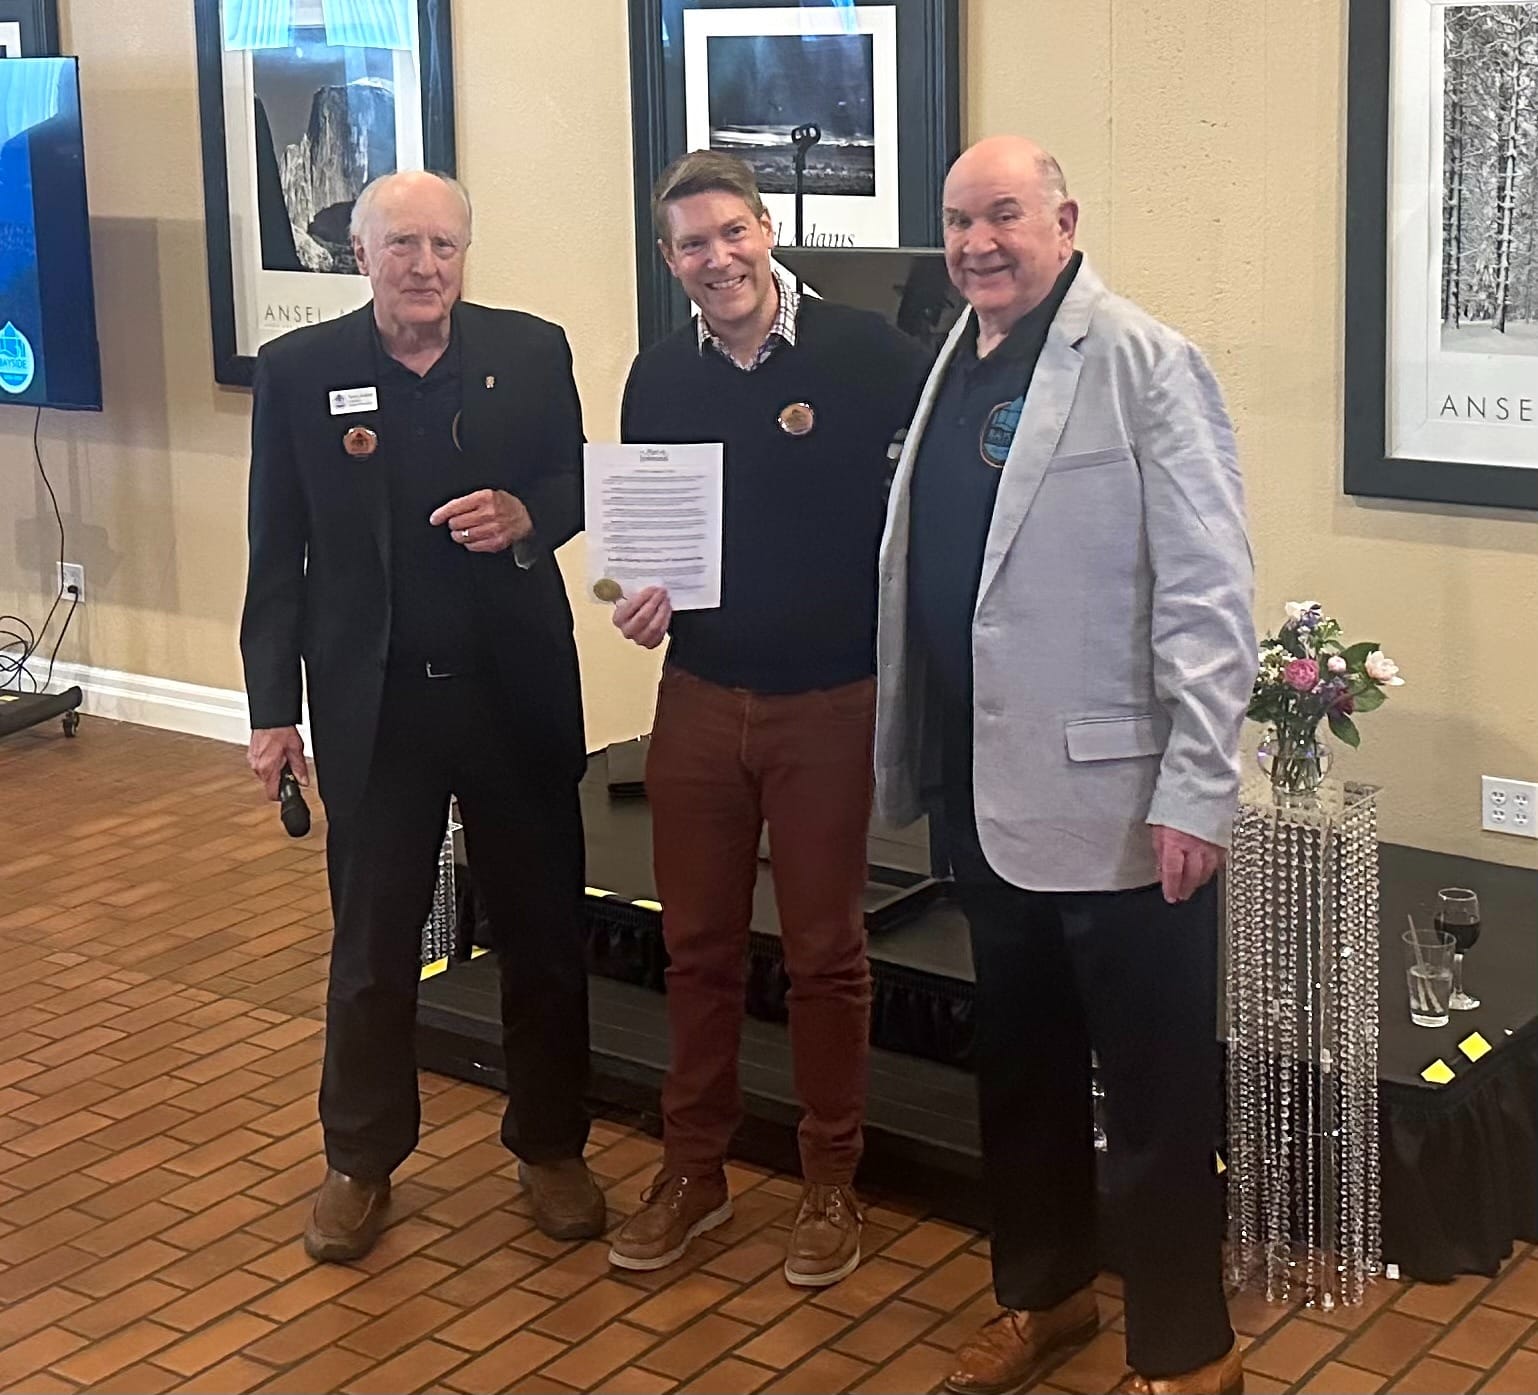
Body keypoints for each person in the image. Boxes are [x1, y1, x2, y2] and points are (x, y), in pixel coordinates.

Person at [874, 136, 1255, 1394]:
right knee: (1021, 1070)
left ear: (1063, 220)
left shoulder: (1142, 360)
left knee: (1150, 1097)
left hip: (1122, 807)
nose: (977, 243)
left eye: (1002, 217)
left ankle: (1187, 1354)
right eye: (957, 222)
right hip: (982, 799)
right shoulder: (957, 356)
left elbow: (1207, 594)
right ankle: (1043, 1299)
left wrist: (1196, 788)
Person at [240, 170, 604, 1263]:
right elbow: (276, 552)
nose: (425, 267)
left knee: (542, 934)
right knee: (371, 946)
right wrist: (272, 711)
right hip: (377, 708)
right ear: (359, 256)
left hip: (511, 700)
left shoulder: (530, 352)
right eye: (402, 245)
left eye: (443, 246)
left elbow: (583, 479)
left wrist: (530, 513)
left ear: (464, 256)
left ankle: (550, 1145)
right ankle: (358, 1161)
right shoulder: (302, 373)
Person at [606, 151, 931, 1285]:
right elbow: (637, 548)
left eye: (732, 233)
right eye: (692, 244)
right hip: (695, 695)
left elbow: (926, 510)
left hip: (829, 704)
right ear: (669, 261)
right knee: (691, 950)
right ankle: (693, 1174)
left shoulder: (868, 355)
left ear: (767, 230)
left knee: (825, 956)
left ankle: (828, 1185)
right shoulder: (656, 378)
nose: (717, 258)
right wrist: (631, 597)